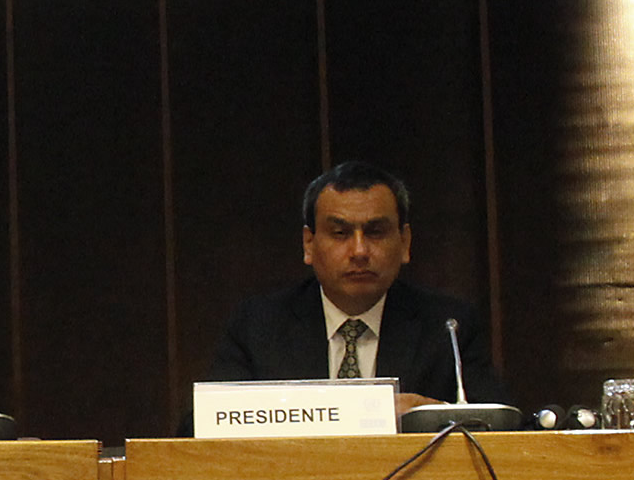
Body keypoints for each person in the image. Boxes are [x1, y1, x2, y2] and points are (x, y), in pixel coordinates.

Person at [204, 161, 494, 411]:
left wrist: (435, 414)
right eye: (340, 233)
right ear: (309, 244)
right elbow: (200, 426)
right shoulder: (259, 326)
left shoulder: (449, 327)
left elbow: (501, 428)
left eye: (375, 233)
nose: (359, 251)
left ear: (404, 243)